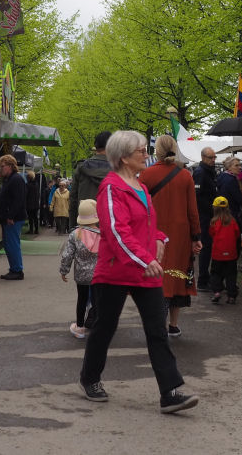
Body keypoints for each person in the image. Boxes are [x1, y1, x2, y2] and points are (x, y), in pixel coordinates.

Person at [80, 129, 199, 415]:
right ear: (123, 157)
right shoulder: (111, 187)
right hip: (115, 271)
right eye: (141, 151)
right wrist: (144, 259)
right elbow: (116, 231)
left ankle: (170, 393)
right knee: (104, 328)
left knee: (157, 330)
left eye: (146, 149)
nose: (146, 154)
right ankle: (89, 378)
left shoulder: (140, 186)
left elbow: (146, 225)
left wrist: (159, 237)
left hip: (144, 271)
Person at [138, 135, 200, 338]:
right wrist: (196, 236)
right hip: (180, 235)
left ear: (156, 152)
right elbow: (192, 211)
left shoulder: (145, 175)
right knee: (176, 276)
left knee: (157, 275)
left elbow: (139, 208)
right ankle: (173, 324)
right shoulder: (185, 176)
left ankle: (158, 323)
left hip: (153, 233)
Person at [59, 199, 101, 339]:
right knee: (97, 300)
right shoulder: (102, 235)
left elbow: (67, 255)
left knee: (81, 300)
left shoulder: (75, 234)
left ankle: (80, 328)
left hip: (81, 276)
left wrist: (64, 270)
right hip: (98, 275)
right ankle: (97, 327)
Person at [70, 131, 112, 228]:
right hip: (112, 227)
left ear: (96, 147)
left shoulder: (81, 168)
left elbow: (73, 199)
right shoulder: (120, 170)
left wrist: (72, 227)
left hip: (85, 226)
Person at [0, 154, 27, 280]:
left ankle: (17, 270)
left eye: (2, 166)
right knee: (9, 244)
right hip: (8, 217)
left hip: (13, 218)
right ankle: (14, 268)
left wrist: (10, 216)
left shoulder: (16, 179)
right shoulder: (9, 179)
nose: (1, 169)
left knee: (12, 244)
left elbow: (18, 200)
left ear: (10, 166)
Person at [192, 146, 218, 291]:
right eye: (210, 157)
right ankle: (202, 280)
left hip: (209, 215)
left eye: (214, 157)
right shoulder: (201, 172)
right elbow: (197, 196)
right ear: (203, 157)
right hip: (204, 216)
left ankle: (205, 278)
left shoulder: (209, 172)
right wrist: (210, 208)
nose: (213, 160)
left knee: (208, 247)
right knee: (205, 247)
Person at [208, 196, 241, 304]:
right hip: (231, 254)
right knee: (231, 275)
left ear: (215, 208)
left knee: (216, 273)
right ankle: (231, 296)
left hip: (218, 254)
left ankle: (217, 292)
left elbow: (211, 234)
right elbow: (237, 234)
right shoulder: (233, 221)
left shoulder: (213, 222)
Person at [216, 156, 242, 224]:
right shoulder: (231, 180)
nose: (240, 167)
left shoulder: (222, 176)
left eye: (240, 165)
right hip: (231, 214)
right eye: (236, 165)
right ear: (229, 167)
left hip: (223, 213)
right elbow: (240, 199)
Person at [25, 170, 40, 235]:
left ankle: (31, 230)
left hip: (29, 204)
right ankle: (36, 230)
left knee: (30, 218)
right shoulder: (36, 184)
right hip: (36, 204)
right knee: (35, 217)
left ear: (29, 177)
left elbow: (26, 194)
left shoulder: (27, 185)